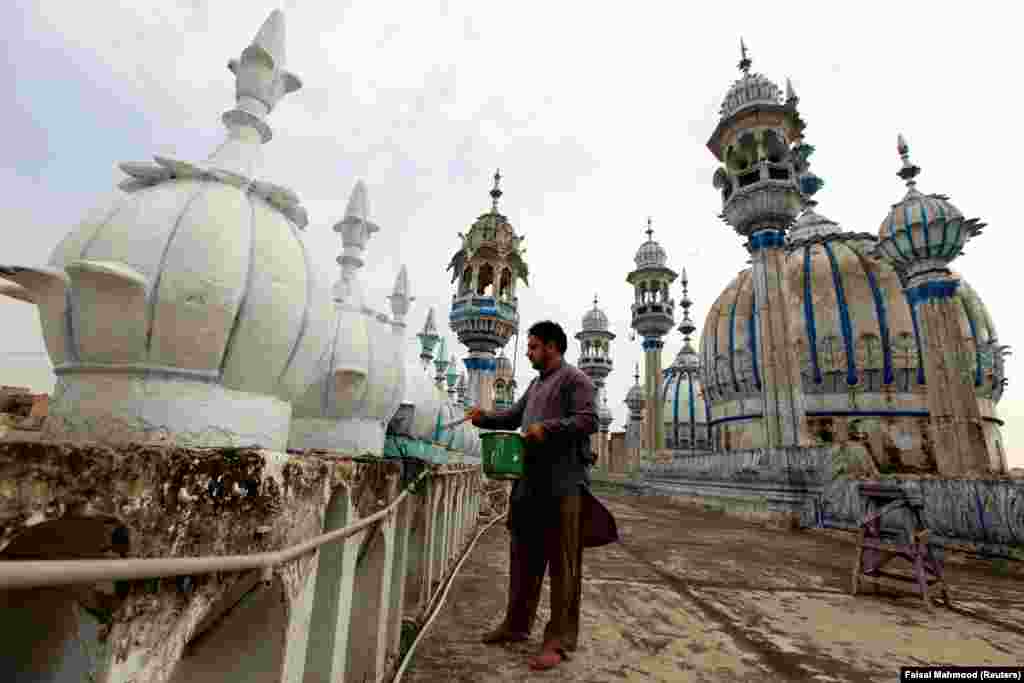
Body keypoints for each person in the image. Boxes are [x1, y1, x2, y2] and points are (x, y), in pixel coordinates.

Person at [466, 320, 617, 671]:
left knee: (563, 567)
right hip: (530, 484)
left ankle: (559, 640)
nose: (529, 352)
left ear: (551, 347)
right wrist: (483, 418)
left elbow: (588, 420)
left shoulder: (575, 379)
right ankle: (516, 625)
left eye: (533, 347)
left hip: (563, 487)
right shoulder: (536, 385)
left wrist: (546, 429)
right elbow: (512, 417)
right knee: (523, 559)